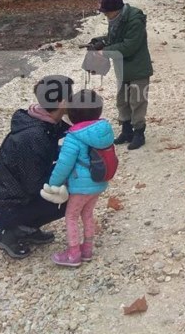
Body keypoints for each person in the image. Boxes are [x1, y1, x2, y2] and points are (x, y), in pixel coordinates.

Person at [0, 75, 74, 259]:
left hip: (4, 195)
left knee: (71, 185)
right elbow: (34, 184)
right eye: (72, 96)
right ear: (62, 102)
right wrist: (67, 180)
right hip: (1, 206)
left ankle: (27, 228)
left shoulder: (44, 119)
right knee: (71, 196)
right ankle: (9, 234)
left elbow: (62, 143)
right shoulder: (34, 136)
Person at [47, 90, 114, 267]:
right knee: (88, 214)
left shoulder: (74, 137)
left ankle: (73, 254)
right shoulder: (103, 130)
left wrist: (53, 183)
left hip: (80, 186)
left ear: (73, 115)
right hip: (98, 182)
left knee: (71, 216)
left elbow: (64, 164)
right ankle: (87, 249)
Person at [89, 0, 153, 150]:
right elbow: (114, 38)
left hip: (138, 67)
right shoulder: (116, 19)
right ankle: (126, 130)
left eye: (107, 13)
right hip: (122, 67)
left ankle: (139, 132)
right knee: (122, 100)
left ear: (116, 9)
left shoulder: (134, 21)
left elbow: (129, 46)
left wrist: (104, 51)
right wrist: (100, 41)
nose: (106, 16)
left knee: (137, 101)